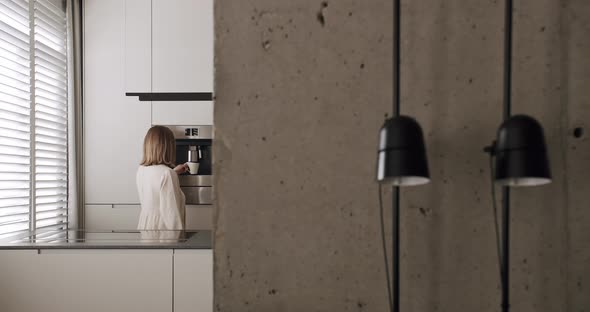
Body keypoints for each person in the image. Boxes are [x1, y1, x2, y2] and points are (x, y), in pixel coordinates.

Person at [136, 125, 188, 235]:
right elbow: (171, 216)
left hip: (146, 226)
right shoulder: (167, 173)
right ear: (168, 147)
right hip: (163, 231)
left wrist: (174, 172)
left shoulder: (141, 170)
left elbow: (156, 185)